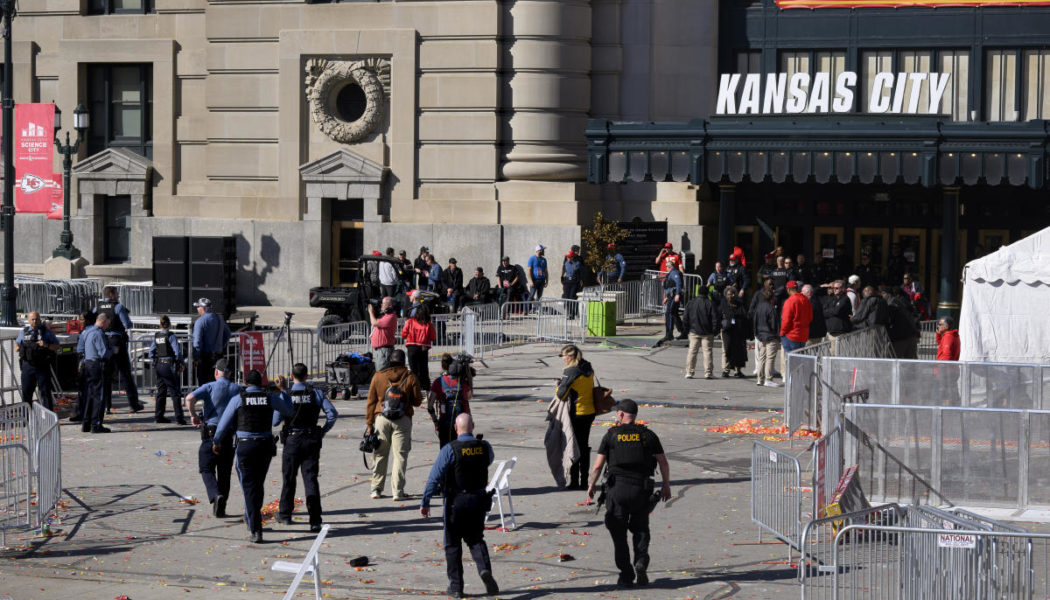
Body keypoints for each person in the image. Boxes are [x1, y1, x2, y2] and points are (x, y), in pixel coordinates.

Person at [587, 399, 671, 589]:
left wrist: (591, 485)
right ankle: (641, 561)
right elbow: (663, 462)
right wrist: (666, 485)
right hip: (641, 490)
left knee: (618, 534)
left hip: (617, 490)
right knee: (641, 529)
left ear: (621, 415)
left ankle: (626, 575)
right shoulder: (647, 435)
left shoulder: (611, 435)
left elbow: (598, 465)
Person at [420, 413, 500, 599]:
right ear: (473, 426)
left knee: (452, 544)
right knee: (476, 539)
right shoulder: (485, 447)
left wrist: (425, 501)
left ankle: (456, 586)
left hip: (456, 502)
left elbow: (435, 477)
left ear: (456, 428)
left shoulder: (450, 449)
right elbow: (488, 461)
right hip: (478, 500)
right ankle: (484, 570)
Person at [213, 369, 292, 543]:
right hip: (264, 446)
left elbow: (224, 424)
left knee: (249, 487)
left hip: (245, 446)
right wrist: (284, 391)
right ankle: (252, 519)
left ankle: (256, 528)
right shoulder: (270, 398)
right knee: (258, 485)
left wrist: (216, 441)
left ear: (247, 383)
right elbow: (288, 411)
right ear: (261, 383)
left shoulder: (239, 399)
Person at [274, 363, 338, 533]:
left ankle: (285, 514)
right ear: (307, 376)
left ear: (291, 376)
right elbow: (332, 414)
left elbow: (275, 421)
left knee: (289, 478)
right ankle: (315, 520)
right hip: (311, 438)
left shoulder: (287, 394)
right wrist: (324, 430)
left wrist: (282, 394)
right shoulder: (315, 393)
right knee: (310, 479)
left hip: (292, 439)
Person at [185, 358, 242, 518]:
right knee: (224, 471)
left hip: (210, 432)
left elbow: (189, 398)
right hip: (227, 435)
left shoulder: (209, 386)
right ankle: (221, 507)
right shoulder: (237, 388)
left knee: (206, 467)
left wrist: (193, 415)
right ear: (230, 373)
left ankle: (215, 494)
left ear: (216, 372)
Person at [366, 349, 423, 501]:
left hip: (381, 418)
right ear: (404, 361)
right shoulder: (410, 377)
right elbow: (418, 401)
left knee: (380, 454)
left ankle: (376, 489)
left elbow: (371, 402)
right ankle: (397, 491)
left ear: (390, 360)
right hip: (403, 419)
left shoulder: (379, 376)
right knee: (400, 456)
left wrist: (369, 423)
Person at [96, 286, 145, 413]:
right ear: (111, 294)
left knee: (106, 375)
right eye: (117, 293)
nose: (118, 296)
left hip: (103, 341)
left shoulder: (98, 306)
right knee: (125, 374)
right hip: (117, 341)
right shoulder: (118, 307)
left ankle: (106, 406)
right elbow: (127, 324)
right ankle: (134, 404)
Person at [555, 344, 596, 490]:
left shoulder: (571, 370)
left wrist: (558, 385)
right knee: (584, 446)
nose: (563, 359)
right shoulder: (587, 366)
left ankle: (574, 481)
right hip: (590, 411)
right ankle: (584, 480)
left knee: (573, 446)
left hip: (576, 413)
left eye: (563, 356)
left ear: (570, 356)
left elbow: (561, 395)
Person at [428, 353, 474, 448]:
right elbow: (469, 396)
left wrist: (435, 421)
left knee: (446, 452)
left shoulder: (438, 382)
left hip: (444, 424)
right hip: (461, 425)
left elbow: (430, 405)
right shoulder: (462, 382)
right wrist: (468, 378)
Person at [16, 311, 59, 409]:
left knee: (45, 393)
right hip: (28, 366)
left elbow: (56, 346)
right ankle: (26, 419)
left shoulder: (46, 332)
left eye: (37, 319)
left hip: (42, 366)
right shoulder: (24, 332)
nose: (35, 321)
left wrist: (46, 345)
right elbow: (17, 342)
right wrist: (17, 347)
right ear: (28, 320)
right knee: (26, 393)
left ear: (40, 319)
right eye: (33, 319)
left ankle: (49, 419)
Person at [149, 315, 186, 425]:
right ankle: (179, 418)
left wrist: (155, 362)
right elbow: (177, 352)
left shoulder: (156, 336)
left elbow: (151, 352)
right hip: (168, 365)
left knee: (161, 392)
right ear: (169, 324)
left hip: (159, 365)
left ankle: (159, 416)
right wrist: (181, 362)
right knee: (175, 392)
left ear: (160, 325)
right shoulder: (171, 336)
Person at [80, 313, 113, 433]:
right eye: (107, 323)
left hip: (87, 363)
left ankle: (86, 423)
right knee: (98, 395)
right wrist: (113, 350)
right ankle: (96, 424)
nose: (107, 326)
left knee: (90, 395)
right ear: (103, 322)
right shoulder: (98, 333)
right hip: (96, 365)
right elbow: (103, 353)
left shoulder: (88, 331)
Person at [192, 296, 231, 386]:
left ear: (203, 308)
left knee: (205, 383)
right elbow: (228, 334)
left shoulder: (200, 321)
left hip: (206, 358)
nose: (197, 309)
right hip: (219, 355)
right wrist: (221, 345)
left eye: (198, 307)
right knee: (217, 383)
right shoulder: (219, 319)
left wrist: (196, 357)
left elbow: (197, 342)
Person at [682, 287, 720, 380]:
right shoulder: (710, 303)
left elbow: (685, 318)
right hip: (707, 332)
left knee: (692, 351)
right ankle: (708, 373)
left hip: (694, 331)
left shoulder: (691, 303)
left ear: (698, 293)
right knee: (707, 352)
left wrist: (686, 329)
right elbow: (715, 319)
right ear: (707, 293)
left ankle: (689, 372)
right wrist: (715, 331)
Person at [402, 305, 436, 391]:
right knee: (423, 369)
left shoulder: (410, 321)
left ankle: (414, 388)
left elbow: (403, 334)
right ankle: (425, 387)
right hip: (423, 347)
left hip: (411, 347)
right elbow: (433, 337)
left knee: (413, 369)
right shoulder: (428, 324)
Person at [71, 310, 97, 423]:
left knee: (85, 391)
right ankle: (85, 414)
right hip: (88, 362)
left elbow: (80, 350)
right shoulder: (91, 330)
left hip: (86, 362)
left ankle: (84, 414)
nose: (80, 322)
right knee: (85, 391)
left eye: (82, 319)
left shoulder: (86, 331)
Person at [752, 288, 781, 387]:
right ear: (772, 297)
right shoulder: (771, 308)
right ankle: (768, 378)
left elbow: (754, 322)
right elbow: (774, 324)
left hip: (761, 335)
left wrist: (756, 334)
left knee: (761, 357)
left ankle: (760, 379)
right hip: (770, 335)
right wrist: (778, 336)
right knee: (770, 358)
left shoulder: (758, 307)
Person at [720, 286, 749, 378]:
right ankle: (726, 369)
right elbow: (717, 317)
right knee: (726, 350)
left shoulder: (740, 305)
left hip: (738, 331)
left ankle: (737, 370)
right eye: (729, 294)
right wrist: (720, 327)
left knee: (738, 350)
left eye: (733, 294)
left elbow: (745, 317)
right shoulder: (723, 305)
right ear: (725, 295)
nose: (731, 296)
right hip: (727, 331)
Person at [884, 288, 920, 359]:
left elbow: (890, 320)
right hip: (910, 334)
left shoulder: (892, 304)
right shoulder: (900, 302)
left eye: (882, 293)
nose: (881, 295)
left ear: (888, 294)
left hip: (901, 336)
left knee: (894, 359)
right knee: (910, 360)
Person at [780, 281, 812, 354]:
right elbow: (810, 317)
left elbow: (786, 320)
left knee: (792, 361)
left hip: (791, 335)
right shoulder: (806, 300)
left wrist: (782, 333)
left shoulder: (790, 301)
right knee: (799, 361)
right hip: (803, 335)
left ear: (788, 289)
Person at [659, 257, 685, 344]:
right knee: (673, 313)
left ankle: (669, 334)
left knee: (669, 313)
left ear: (670, 267)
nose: (666, 268)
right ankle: (683, 331)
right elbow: (670, 287)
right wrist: (666, 297)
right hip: (671, 296)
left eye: (667, 267)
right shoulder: (671, 274)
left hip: (674, 296)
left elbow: (678, 283)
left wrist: (677, 294)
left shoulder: (674, 273)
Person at [369, 296, 398, 372]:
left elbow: (374, 323)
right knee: (380, 371)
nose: (381, 305)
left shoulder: (390, 317)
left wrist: (370, 312)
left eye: (383, 303)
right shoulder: (384, 315)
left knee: (382, 371)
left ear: (390, 306)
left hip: (384, 350)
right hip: (381, 350)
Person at [561, 248, 583, 319]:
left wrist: (580, 281)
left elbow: (577, 271)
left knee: (572, 297)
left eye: (569, 257)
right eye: (567, 257)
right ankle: (570, 314)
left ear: (572, 257)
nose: (567, 258)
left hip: (574, 282)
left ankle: (575, 313)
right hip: (567, 282)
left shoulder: (577, 264)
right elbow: (564, 270)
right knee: (567, 298)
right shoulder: (566, 263)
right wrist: (562, 277)